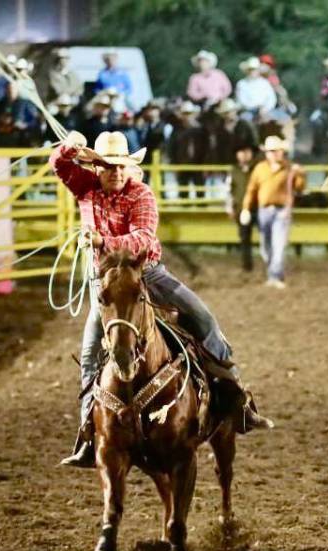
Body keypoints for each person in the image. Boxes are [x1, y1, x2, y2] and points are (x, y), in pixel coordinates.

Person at [52, 130, 268, 467]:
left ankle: (237, 400)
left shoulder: (141, 195)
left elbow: (141, 239)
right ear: (96, 168)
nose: (116, 172)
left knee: (205, 320)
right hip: (107, 283)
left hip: (148, 275)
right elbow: (60, 164)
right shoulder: (86, 188)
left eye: (121, 166)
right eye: (108, 166)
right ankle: (87, 434)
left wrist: (100, 242)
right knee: (91, 351)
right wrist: (69, 145)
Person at [239, 135, 306, 289]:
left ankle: (275, 276)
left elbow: (299, 188)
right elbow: (251, 189)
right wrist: (246, 208)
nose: (274, 154)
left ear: (282, 152)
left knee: (279, 244)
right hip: (264, 211)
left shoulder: (290, 169)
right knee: (266, 247)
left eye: (276, 151)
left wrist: (301, 174)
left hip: (282, 211)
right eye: (271, 151)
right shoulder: (260, 168)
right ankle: (274, 273)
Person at [228, 143, 257, 272]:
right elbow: (228, 191)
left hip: (257, 207)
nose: (244, 155)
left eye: (247, 151)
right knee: (244, 238)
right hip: (241, 209)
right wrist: (230, 208)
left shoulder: (258, 169)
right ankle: (247, 265)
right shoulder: (234, 171)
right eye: (241, 152)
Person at [235, 58, 275, 122]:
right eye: (251, 70)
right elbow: (242, 101)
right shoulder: (241, 84)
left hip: (264, 111)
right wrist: (256, 107)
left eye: (255, 70)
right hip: (248, 111)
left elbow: (271, 99)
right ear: (247, 71)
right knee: (245, 120)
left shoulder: (265, 83)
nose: (253, 72)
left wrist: (264, 109)